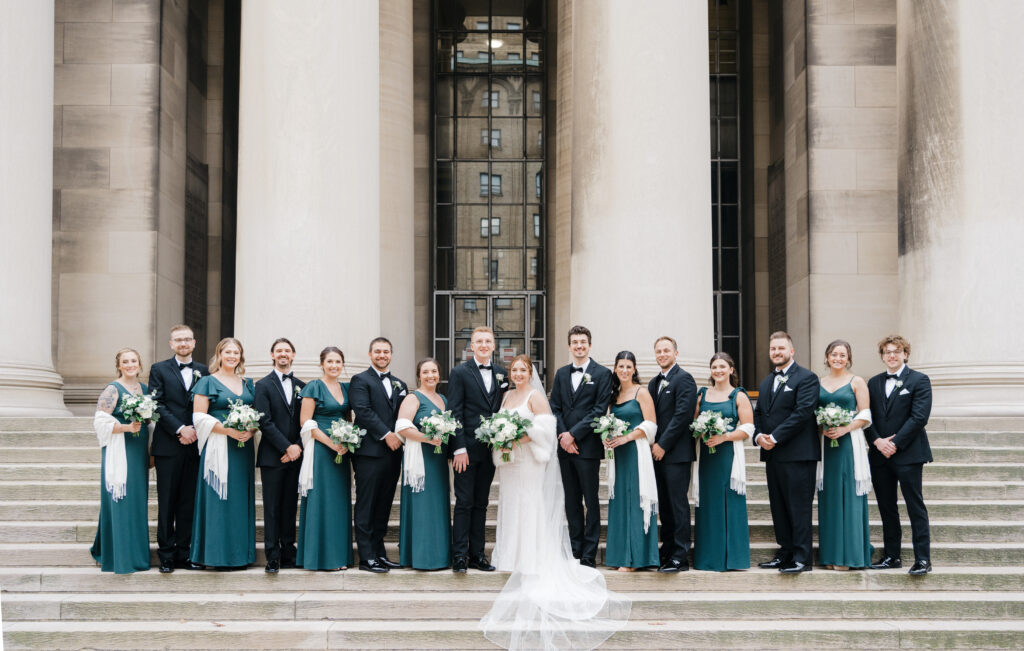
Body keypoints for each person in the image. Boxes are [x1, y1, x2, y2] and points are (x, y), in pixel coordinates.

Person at [480, 354, 631, 651]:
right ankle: (511, 554)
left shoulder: (536, 396)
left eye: (523, 370)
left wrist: (519, 436)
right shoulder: (507, 395)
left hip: (529, 461)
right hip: (510, 462)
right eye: (515, 370)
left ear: (530, 372)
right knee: (511, 506)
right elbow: (499, 424)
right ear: (510, 374)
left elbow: (546, 429)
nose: (519, 374)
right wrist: (500, 436)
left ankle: (533, 556)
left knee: (529, 504)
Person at [752, 331, 820, 573]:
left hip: (799, 454)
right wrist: (759, 436)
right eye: (773, 349)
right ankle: (786, 552)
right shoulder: (766, 381)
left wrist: (776, 436)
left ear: (792, 351)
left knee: (799, 507)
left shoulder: (807, 378)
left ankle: (802, 558)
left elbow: (802, 413)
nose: (776, 352)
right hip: (773, 454)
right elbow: (758, 413)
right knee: (778, 506)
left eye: (781, 348)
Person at [866, 335, 933, 576]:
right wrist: (876, 441)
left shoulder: (919, 380)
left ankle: (923, 559)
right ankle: (892, 555)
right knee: (886, 507)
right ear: (882, 356)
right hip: (879, 454)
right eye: (887, 352)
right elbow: (866, 416)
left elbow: (919, 417)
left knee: (915, 505)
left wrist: (895, 443)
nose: (892, 355)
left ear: (906, 354)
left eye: (897, 351)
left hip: (909, 453)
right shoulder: (872, 383)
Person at [189, 337, 257, 570]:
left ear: (241, 356)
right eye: (228, 352)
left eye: (236, 353)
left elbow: (256, 414)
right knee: (218, 498)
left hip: (243, 448)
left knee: (239, 499)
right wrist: (227, 430)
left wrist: (251, 429)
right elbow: (198, 417)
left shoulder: (248, 383)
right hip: (218, 446)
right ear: (219, 354)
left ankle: (239, 555)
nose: (232, 356)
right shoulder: (207, 382)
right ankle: (216, 555)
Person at [548, 325, 612, 568]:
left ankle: (589, 553)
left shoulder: (603, 374)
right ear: (569, 346)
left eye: (583, 342)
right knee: (571, 500)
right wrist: (564, 436)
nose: (579, 346)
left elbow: (598, 411)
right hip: (564, 448)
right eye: (575, 342)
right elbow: (555, 407)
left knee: (591, 500)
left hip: (588, 448)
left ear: (590, 345)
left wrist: (573, 435)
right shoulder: (562, 373)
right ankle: (575, 549)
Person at [447, 326, 508, 573]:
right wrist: (458, 447)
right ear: (471, 346)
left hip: (489, 450)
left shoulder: (503, 373)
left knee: (482, 503)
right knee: (464, 502)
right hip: (466, 450)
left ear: (494, 345)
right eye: (479, 341)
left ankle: (478, 555)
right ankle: (459, 555)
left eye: (488, 341)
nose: (483, 345)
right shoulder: (460, 372)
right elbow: (454, 411)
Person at [148, 324, 208, 573]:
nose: (183, 344)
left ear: (194, 343)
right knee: (168, 501)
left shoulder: (204, 371)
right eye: (178, 340)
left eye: (187, 340)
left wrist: (193, 431)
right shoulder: (159, 369)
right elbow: (156, 404)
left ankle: (185, 553)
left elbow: (208, 405)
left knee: (188, 502)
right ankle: (167, 555)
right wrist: (180, 429)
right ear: (171, 344)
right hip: (169, 445)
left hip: (195, 446)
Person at [90, 348, 152, 574]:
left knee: (136, 501)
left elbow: (150, 421)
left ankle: (137, 556)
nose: (129, 364)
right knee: (120, 498)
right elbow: (99, 421)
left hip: (138, 451)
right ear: (119, 365)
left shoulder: (145, 390)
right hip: (119, 449)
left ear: (139, 363)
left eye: (133, 360)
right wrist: (126, 427)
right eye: (125, 361)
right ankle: (119, 557)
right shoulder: (112, 389)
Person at [349, 337, 407, 572]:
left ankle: (379, 553)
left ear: (391, 354)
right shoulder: (360, 380)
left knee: (384, 505)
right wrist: (386, 434)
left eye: (386, 351)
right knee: (367, 504)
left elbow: (404, 414)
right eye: (378, 352)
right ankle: (366, 557)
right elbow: (362, 411)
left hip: (394, 454)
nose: (382, 355)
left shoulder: (400, 383)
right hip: (370, 453)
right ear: (370, 354)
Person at [692, 352, 753, 572]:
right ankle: (708, 558)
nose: (718, 371)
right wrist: (701, 431)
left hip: (728, 456)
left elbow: (748, 428)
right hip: (707, 457)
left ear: (731, 370)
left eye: (722, 367)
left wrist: (724, 436)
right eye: (714, 367)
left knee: (730, 502)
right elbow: (693, 423)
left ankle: (733, 559)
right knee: (708, 504)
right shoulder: (702, 395)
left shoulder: (738, 395)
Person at [817, 340, 873, 571]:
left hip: (849, 444)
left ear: (848, 358)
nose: (838, 358)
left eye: (842, 355)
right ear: (827, 357)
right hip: (825, 445)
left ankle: (849, 556)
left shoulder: (856, 381)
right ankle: (830, 555)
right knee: (829, 497)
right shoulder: (818, 382)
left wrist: (844, 428)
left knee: (849, 496)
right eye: (834, 354)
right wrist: (823, 427)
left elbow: (866, 414)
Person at [296, 347, 354, 571]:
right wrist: (331, 443)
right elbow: (306, 422)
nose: (334, 366)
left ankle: (338, 555)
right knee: (322, 500)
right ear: (322, 364)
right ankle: (320, 558)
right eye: (329, 361)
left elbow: (347, 417)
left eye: (338, 361)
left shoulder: (345, 388)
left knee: (338, 502)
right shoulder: (313, 387)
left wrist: (348, 440)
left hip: (341, 450)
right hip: (321, 450)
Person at [253, 337, 305, 573]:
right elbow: (264, 420)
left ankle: (288, 552)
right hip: (273, 456)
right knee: (272, 507)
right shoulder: (262, 385)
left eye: (287, 350)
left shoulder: (303, 386)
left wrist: (296, 447)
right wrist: (286, 447)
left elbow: (306, 421)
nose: (283, 354)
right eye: (279, 351)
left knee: (289, 506)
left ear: (293, 355)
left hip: (297, 454)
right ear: (272, 355)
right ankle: (272, 555)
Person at [395, 358, 452, 570]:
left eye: (434, 371)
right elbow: (401, 427)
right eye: (426, 372)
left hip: (438, 459)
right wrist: (427, 438)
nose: (430, 376)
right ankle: (421, 557)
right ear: (419, 375)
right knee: (422, 506)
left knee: (438, 505)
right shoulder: (413, 397)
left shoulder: (443, 398)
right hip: (421, 458)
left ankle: (440, 556)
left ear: (439, 374)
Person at [604, 351, 659, 572]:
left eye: (628, 366)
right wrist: (606, 437)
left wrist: (627, 436)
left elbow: (652, 425)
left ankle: (636, 558)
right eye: (621, 366)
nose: (624, 370)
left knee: (636, 500)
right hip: (618, 456)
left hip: (636, 452)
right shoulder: (613, 394)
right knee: (620, 502)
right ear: (615, 369)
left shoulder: (641, 392)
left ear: (634, 369)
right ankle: (620, 556)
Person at [647, 335, 698, 572]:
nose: (662, 355)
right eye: (659, 351)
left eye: (667, 350)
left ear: (676, 354)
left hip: (675, 454)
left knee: (677, 505)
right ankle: (666, 550)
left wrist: (663, 444)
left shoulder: (684, 379)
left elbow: (682, 416)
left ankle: (680, 556)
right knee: (664, 506)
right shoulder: (653, 382)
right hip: (656, 454)